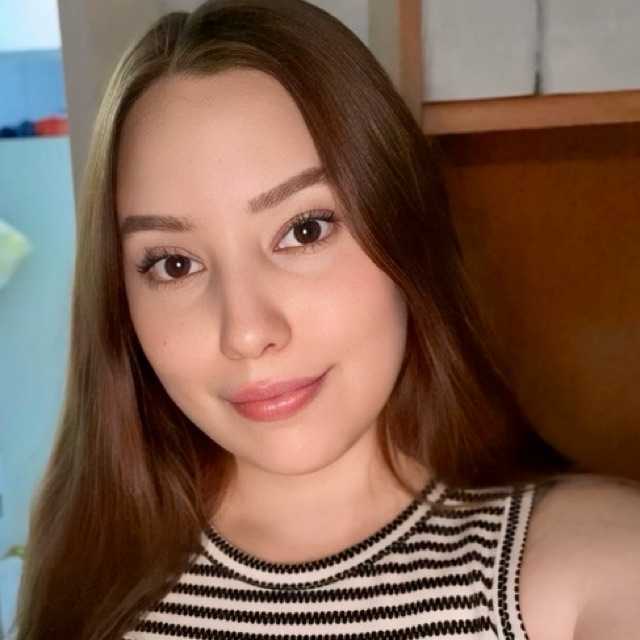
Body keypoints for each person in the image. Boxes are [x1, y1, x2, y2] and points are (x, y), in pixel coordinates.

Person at [14, 1, 640, 639]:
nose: (247, 332)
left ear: (403, 222)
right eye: (175, 265)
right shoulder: (90, 585)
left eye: (305, 230)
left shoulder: (585, 568)